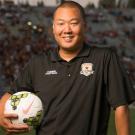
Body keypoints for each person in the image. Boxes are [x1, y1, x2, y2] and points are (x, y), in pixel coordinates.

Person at [0, 1, 135, 135]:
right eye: (61, 23)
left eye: (73, 23)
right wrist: (1, 116)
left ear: (84, 26)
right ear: (53, 28)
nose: (67, 30)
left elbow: (121, 108)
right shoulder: (38, 63)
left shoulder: (105, 58)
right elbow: (10, 94)